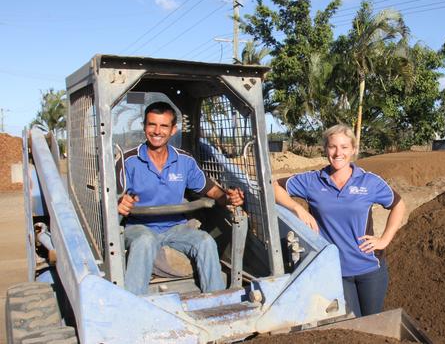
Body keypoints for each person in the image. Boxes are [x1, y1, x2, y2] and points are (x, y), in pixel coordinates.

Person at [273, 124, 406, 317]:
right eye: (332, 146)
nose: (338, 153)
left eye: (344, 147)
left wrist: (384, 239)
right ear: (325, 149)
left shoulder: (369, 182)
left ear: (353, 150)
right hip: (334, 270)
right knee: (351, 326)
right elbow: (275, 186)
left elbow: (398, 204)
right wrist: (297, 208)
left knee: (372, 323)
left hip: (369, 268)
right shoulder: (312, 181)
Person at [117, 101, 244, 295]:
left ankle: (216, 300)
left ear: (173, 130)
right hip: (139, 226)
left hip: (175, 227)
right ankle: (134, 304)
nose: (157, 131)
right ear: (145, 127)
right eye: (152, 124)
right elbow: (114, 199)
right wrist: (120, 203)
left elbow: (212, 191)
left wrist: (228, 198)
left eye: (164, 126)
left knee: (205, 241)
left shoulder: (184, 161)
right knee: (144, 242)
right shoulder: (128, 161)